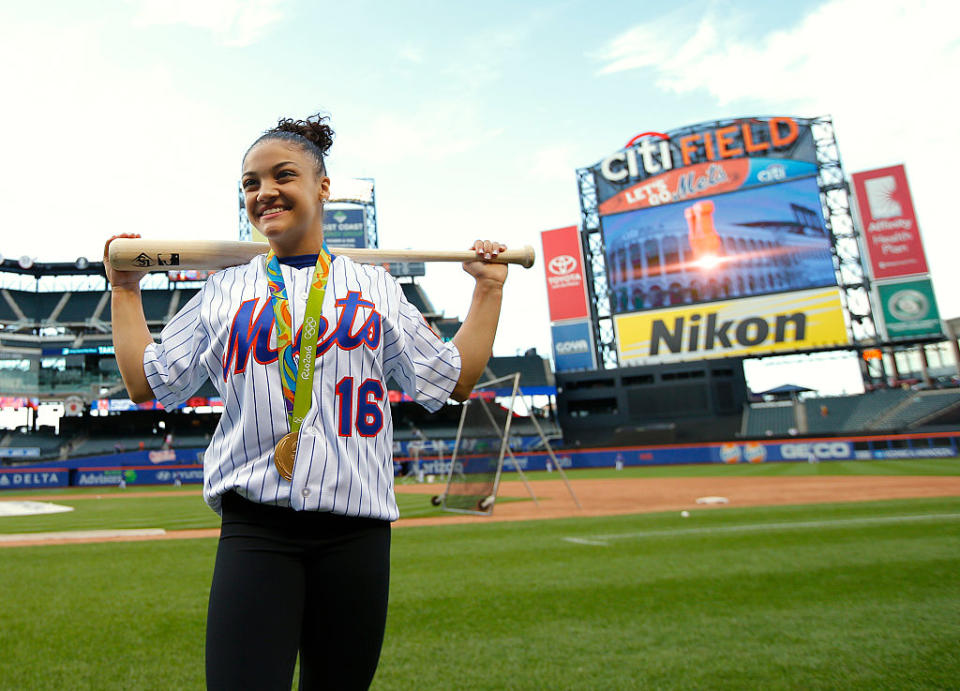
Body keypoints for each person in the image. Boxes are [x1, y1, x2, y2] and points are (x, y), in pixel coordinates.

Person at [103, 113, 508, 690]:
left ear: (323, 187)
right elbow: (150, 382)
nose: (264, 191)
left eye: (282, 175)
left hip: (357, 532)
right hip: (257, 528)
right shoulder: (224, 288)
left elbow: (451, 379)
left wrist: (487, 288)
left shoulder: (375, 285)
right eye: (250, 183)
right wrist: (125, 289)